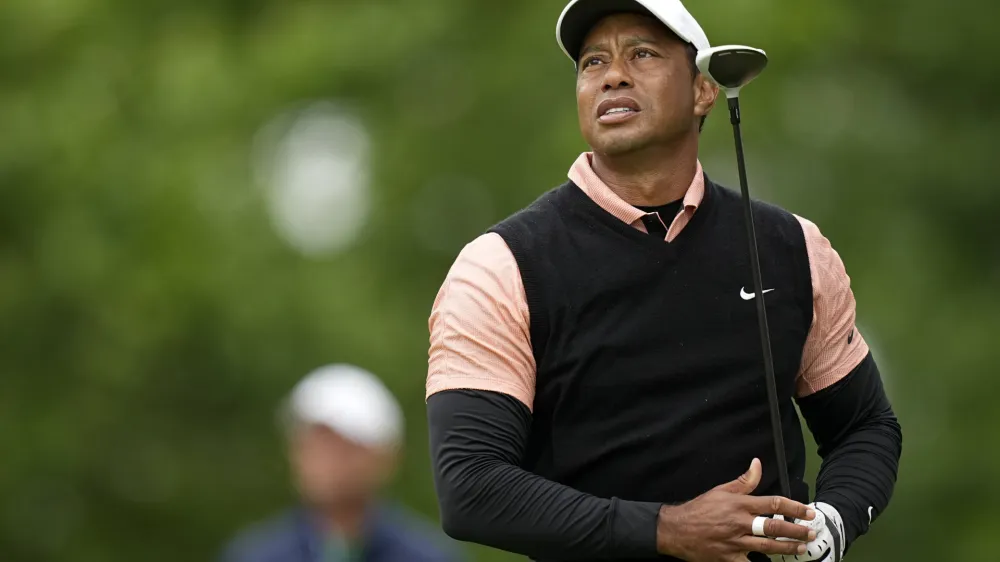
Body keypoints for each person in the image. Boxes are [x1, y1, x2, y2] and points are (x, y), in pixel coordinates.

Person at [425, 1, 902, 561]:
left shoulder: (792, 247)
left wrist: (833, 519)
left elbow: (865, 426)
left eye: (643, 54)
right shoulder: (500, 266)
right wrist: (666, 529)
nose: (613, 74)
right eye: (592, 62)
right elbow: (471, 487)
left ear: (703, 90)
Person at [221, 364, 462, 562]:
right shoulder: (253, 554)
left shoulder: (429, 556)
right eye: (312, 443)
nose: (324, 460)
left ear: (386, 458)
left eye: (343, 446)